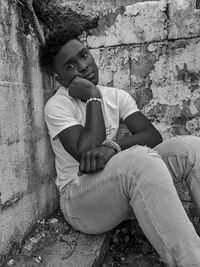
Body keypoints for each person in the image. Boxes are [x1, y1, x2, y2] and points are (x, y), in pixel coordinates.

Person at [40, 27, 200, 266]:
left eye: (84, 55)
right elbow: (86, 153)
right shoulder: (57, 106)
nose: (83, 66)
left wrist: (112, 146)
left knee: (190, 147)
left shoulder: (117, 96)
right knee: (140, 160)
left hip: (117, 191)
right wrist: (93, 96)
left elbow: (152, 137)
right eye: (70, 66)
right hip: (80, 201)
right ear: (59, 79)